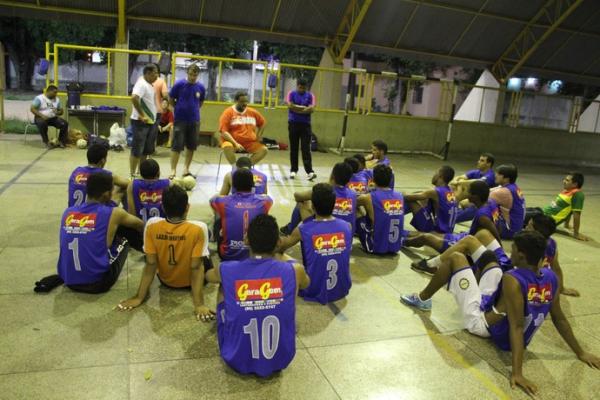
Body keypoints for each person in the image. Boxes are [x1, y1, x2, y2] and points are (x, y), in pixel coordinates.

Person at [401, 231, 600, 396]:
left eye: (512, 248)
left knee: (455, 258)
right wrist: (580, 352)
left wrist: (517, 373)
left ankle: (423, 299)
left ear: (521, 255)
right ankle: (461, 279)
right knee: (490, 261)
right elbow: (559, 318)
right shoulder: (550, 277)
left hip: (484, 323)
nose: (510, 251)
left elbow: (517, 326)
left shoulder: (512, 279)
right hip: (495, 307)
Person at [205, 214, 310, 377]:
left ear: (246, 240)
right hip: (282, 358)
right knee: (291, 285)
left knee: (224, 286)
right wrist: (284, 257)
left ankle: (232, 333)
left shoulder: (226, 268)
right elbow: (306, 284)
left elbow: (208, 276)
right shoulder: (295, 269)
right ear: (278, 243)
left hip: (235, 358)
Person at [117, 185, 214, 321]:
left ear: (163, 207)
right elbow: (196, 267)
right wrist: (199, 305)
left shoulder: (151, 225)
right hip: (191, 281)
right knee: (206, 239)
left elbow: (150, 264)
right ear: (187, 207)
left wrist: (139, 297)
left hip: (166, 281)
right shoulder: (199, 228)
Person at [57, 173, 144, 293]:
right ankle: (149, 252)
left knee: (100, 230)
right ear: (107, 194)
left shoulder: (68, 212)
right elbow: (140, 224)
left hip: (69, 280)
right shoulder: (115, 213)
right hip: (97, 283)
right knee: (125, 233)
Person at [278, 183, 352, 304]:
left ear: (313, 206)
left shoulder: (302, 230)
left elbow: (280, 247)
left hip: (312, 289)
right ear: (334, 205)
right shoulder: (347, 226)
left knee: (280, 257)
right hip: (342, 289)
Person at [405, 180, 502, 253]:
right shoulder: (491, 202)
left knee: (426, 237)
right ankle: (403, 234)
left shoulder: (482, 216)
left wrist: (499, 251)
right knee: (428, 233)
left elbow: (495, 232)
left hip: (466, 244)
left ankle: (401, 242)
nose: (466, 194)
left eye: (468, 192)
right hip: (465, 236)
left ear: (475, 196)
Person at [210, 168, 273, 260]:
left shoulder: (221, 202)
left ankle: (218, 236)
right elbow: (266, 196)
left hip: (229, 254)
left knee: (218, 222)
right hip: (256, 254)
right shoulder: (266, 201)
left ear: (233, 185)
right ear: (252, 184)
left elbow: (213, 199)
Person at [280, 162, 357, 235]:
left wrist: (327, 183)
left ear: (332, 176)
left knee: (303, 202)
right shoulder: (353, 194)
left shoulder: (324, 191)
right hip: (346, 236)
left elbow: (297, 196)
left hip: (323, 233)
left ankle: (290, 229)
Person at [356, 164, 404, 255]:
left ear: (373, 179)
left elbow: (351, 203)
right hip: (395, 247)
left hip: (375, 247)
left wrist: (367, 190)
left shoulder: (368, 197)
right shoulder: (400, 196)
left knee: (356, 210)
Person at [526, 214, 579, 296]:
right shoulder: (551, 243)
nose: (525, 228)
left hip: (533, 283)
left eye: (529, 226)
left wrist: (561, 288)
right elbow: (555, 267)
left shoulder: (527, 245)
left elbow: (556, 267)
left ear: (537, 232)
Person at [168, 64, 206, 179]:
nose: (192, 77)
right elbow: (170, 99)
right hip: (180, 120)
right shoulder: (179, 84)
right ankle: (173, 170)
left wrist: (193, 110)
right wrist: (178, 108)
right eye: (190, 74)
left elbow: (200, 102)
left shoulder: (201, 87)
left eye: (195, 75)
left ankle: (186, 169)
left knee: (191, 146)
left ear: (198, 75)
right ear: (187, 73)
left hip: (194, 121)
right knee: (177, 146)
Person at [526, 172, 587, 241]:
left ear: (575, 184)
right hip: (540, 211)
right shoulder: (567, 191)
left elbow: (576, 214)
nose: (564, 181)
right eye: (565, 179)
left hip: (544, 220)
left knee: (516, 215)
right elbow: (568, 208)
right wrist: (566, 225)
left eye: (567, 180)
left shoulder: (578, 195)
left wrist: (576, 233)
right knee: (519, 210)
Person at [403, 165, 458, 234]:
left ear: (440, 176)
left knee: (409, 199)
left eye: (435, 173)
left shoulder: (435, 192)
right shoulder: (450, 191)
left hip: (437, 232)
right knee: (423, 198)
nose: (434, 175)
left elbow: (408, 197)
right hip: (448, 231)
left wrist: (397, 195)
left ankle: (392, 217)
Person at [219, 91, 268, 165]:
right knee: (227, 146)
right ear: (236, 101)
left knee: (264, 150)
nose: (245, 103)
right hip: (232, 142)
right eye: (242, 101)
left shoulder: (253, 112)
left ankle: (245, 167)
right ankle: (234, 167)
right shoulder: (228, 112)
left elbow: (263, 123)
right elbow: (223, 132)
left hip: (249, 142)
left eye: (246, 101)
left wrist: (258, 136)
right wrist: (235, 143)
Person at [129, 64, 159, 177]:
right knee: (137, 149)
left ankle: (142, 173)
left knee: (146, 151)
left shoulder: (150, 85)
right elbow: (134, 98)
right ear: (147, 73)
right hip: (140, 122)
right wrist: (141, 115)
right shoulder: (141, 84)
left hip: (150, 122)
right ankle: (132, 174)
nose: (157, 75)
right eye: (155, 73)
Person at [451, 152, 496, 223]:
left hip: (480, 204)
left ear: (488, 164)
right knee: (459, 184)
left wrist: (459, 182)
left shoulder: (490, 175)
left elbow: (478, 182)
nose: (478, 162)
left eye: (482, 161)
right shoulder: (475, 172)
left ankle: (453, 204)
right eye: (479, 160)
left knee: (452, 217)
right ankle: (454, 203)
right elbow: (460, 177)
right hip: (470, 200)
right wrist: (456, 181)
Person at [286, 78, 316, 181]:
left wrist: (297, 109)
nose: (302, 89)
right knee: (294, 148)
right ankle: (293, 170)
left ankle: (309, 171)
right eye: (300, 87)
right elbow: (290, 106)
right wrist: (304, 109)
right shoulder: (291, 94)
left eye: (304, 88)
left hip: (305, 125)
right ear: (297, 85)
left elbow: (312, 109)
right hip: (293, 123)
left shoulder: (310, 96)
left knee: (305, 148)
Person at [490, 164, 526, 239]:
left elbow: (481, 196)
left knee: (482, 208)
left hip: (509, 230)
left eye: (499, 174)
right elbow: (488, 190)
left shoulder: (505, 191)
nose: (495, 175)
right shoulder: (514, 187)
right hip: (516, 228)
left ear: (506, 178)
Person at [152, 63, 169, 147]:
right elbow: (165, 96)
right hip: (156, 111)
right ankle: (151, 149)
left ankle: (148, 150)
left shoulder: (142, 80)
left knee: (149, 131)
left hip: (149, 111)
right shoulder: (161, 81)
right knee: (153, 131)